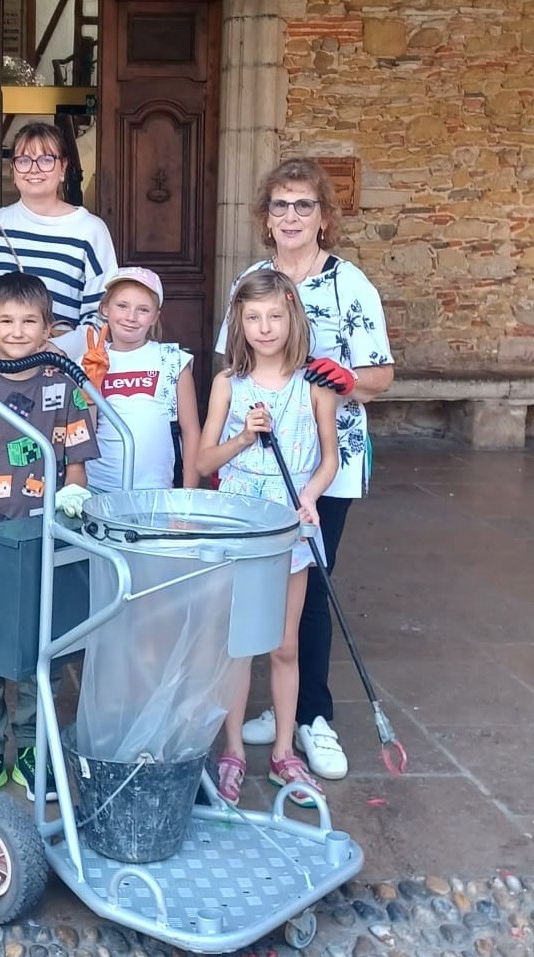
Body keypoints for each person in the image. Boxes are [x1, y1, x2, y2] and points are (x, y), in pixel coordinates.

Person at [216, 158, 394, 781]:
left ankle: (314, 716)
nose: (291, 216)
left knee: (312, 582)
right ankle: (278, 711)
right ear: (266, 217)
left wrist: (346, 378)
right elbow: (232, 363)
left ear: (323, 217)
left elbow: (381, 375)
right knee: (259, 591)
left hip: (326, 461)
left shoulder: (350, 284)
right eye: (280, 205)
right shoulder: (252, 281)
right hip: (257, 465)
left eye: (303, 205)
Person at [0, 272, 99, 801]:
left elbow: (76, 464)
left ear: (49, 328)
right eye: (5, 321)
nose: (18, 330)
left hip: (42, 542)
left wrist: (73, 496)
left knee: (37, 648)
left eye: (30, 321)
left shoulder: (63, 386)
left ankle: (31, 747)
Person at [199, 269, 338, 806]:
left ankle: (283, 752)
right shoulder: (228, 384)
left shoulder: (315, 385)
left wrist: (312, 496)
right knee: (238, 646)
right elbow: (203, 460)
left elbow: (329, 458)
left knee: (285, 644)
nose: (264, 327)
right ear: (240, 323)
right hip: (241, 527)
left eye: (274, 316)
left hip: (290, 527)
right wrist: (243, 436)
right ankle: (232, 750)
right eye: (253, 317)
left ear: (291, 318)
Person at [0, 122, 118, 359]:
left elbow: (102, 311)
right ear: (13, 169)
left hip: (61, 363)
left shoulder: (90, 230)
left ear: (63, 168)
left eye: (46, 159)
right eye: (24, 160)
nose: (34, 169)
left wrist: (59, 350)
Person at [81, 266, 200, 492]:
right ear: (105, 308)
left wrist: (188, 495)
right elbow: (83, 432)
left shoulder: (172, 360)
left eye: (143, 310)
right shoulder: (89, 360)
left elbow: (191, 432)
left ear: (155, 317)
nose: (131, 317)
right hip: (97, 488)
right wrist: (90, 389)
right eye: (122, 306)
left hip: (154, 489)